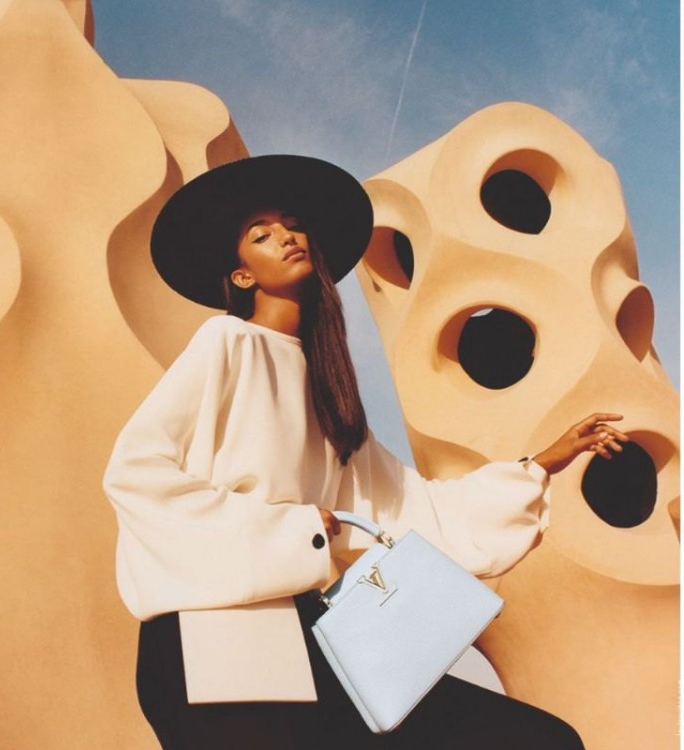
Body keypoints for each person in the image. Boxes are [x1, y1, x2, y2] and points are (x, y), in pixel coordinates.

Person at [103, 155, 627, 749]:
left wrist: (542, 463)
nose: (287, 237)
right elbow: (136, 474)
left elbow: (411, 509)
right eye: (261, 234)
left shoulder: (329, 388)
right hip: (214, 643)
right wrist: (296, 530)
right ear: (242, 276)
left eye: (292, 226)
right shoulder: (228, 343)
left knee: (536, 739)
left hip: (311, 635)